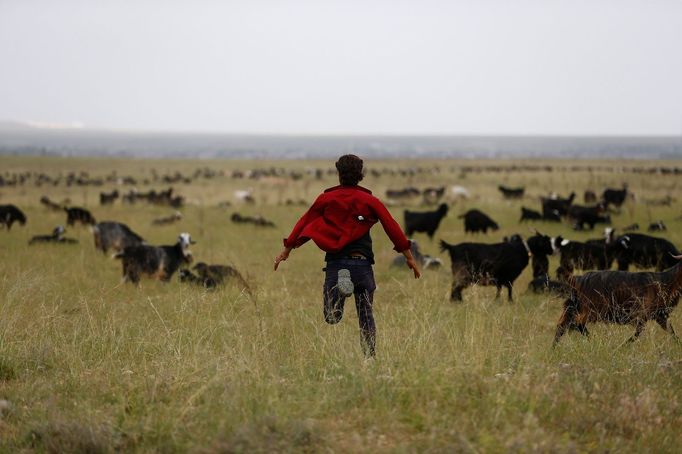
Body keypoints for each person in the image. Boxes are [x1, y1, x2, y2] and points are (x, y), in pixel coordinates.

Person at [274, 154, 421, 357]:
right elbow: (392, 226)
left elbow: (304, 222)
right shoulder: (370, 200)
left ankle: (341, 293)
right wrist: (409, 256)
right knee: (366, 315)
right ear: (360, 175)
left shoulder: (325, 199)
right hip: (362, 265)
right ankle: (370, 357)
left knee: (332, 316)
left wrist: (287, 249)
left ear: (338, 173)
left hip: (337, 264)